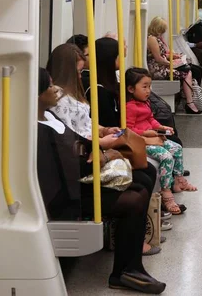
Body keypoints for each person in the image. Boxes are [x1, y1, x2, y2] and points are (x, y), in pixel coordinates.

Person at [37, 68, 166, 293]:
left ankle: (132, 259)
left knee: (143, 178)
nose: (55, 89)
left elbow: (76, 143)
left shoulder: (50, 115)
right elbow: (67, 165)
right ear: (36, 94)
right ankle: (124, 271)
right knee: (135, 198)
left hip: (79, 178)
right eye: (49, 86)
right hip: (68, 194)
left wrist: (98, 149)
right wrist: (105, 155)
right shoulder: (38, 129)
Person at [125, 68, 197, 215]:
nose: (148, 91)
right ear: (131, 89)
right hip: (141, 142)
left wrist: (160, 127)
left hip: (153, 137)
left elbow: (150, 119)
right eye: (144, 87)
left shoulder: (145, 103)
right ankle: (166, 192)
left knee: (176, 148)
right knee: (166, 157)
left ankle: (178, 180)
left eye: (149, 87)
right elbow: (129, 130)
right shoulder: (130, 107)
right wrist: (148, 133)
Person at [146, 17, 202, 114]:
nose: (162, 32)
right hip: (158, 69)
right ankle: (190, 102)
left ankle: (190, 100)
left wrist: (173, 58)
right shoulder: (152, 39)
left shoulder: (154, 38)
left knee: (188, 70)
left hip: (161, 66)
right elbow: (158, 58)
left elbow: (161, 55)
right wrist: (171, 64)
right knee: (187, 72)